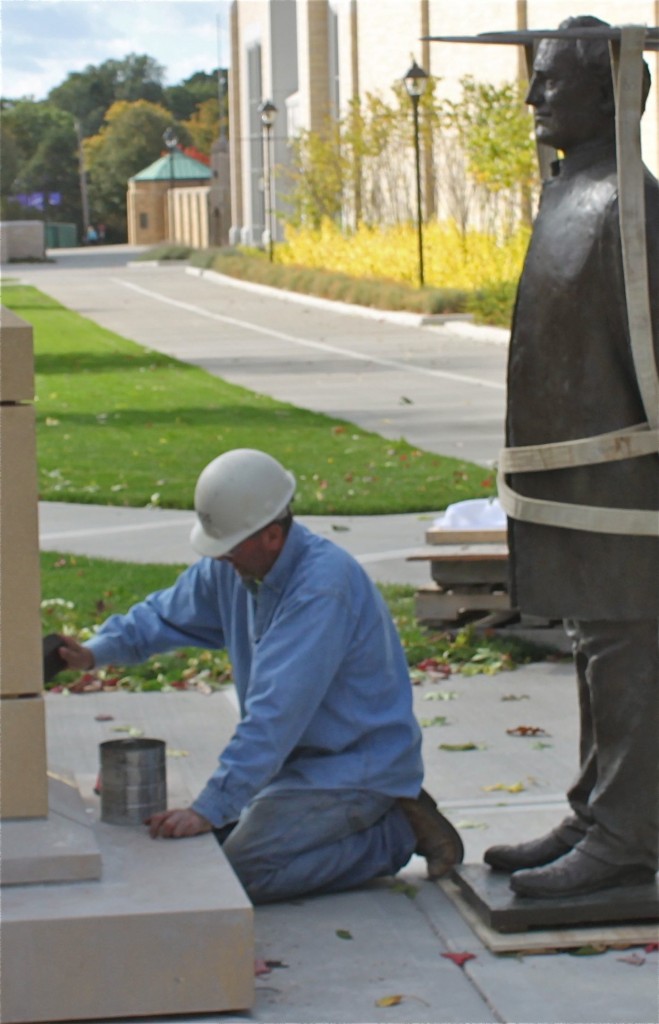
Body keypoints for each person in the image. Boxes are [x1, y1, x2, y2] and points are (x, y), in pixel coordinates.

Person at [58, 448, 464, 904]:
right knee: (213, 854)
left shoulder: (321, 590)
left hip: (352, 770)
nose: (221, 556)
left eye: (229, 545)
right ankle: (332, 820)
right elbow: (164, 616)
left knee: (237, 876)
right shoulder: (235, 567)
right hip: (295, 767)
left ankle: (393, 833)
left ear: (272, 536)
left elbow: (275, 715)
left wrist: (210, 808)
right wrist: (93, 652)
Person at [484, 17, 659, 899]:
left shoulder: (633, 209)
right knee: (600, 646)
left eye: (549, 80)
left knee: (631, 653)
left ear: (611, 93)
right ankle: (598, 810)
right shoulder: (570, 192)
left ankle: (628, 836)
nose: (530, 96)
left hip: (625, 490)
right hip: (578, 487)